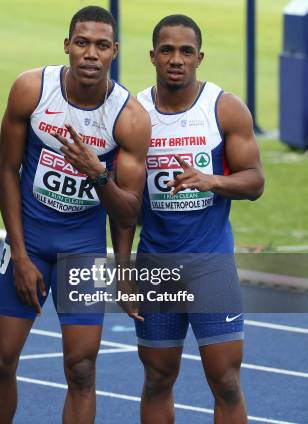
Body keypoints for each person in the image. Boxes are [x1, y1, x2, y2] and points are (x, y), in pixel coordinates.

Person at [0, 5, 151, 423]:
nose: (91, 54)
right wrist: (19, 254)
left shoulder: (129, 117)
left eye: (101, 45)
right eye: (82, 43)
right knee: (1, 359)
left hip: (83, 250)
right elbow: (6, 170)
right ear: (67, 47)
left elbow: (129, 211)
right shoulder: (32, 89)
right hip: (31, 241)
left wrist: (98, 174)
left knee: (81, 369)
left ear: (114, 51)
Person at [122, 14, 264, 424]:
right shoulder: (133, 113)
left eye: (186, 51)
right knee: (157, 379)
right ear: (152, 56)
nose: (176, 59)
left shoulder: (224, 108)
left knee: (226, 382)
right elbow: (126, 203)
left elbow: (255, 182)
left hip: (210, 265)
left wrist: (211, 180)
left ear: (199, 57)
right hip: (155, 266)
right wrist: (126, 269)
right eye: (167, 50)